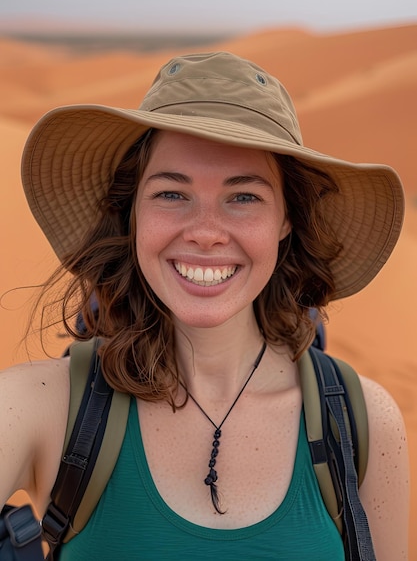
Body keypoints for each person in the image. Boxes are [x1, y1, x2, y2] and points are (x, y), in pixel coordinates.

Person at [0, 51, 409, 560]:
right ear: (132, 214)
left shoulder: (362, 421)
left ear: (286, 220)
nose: (207, 234)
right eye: (172, 194)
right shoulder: (47, 405)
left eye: (244, 197)